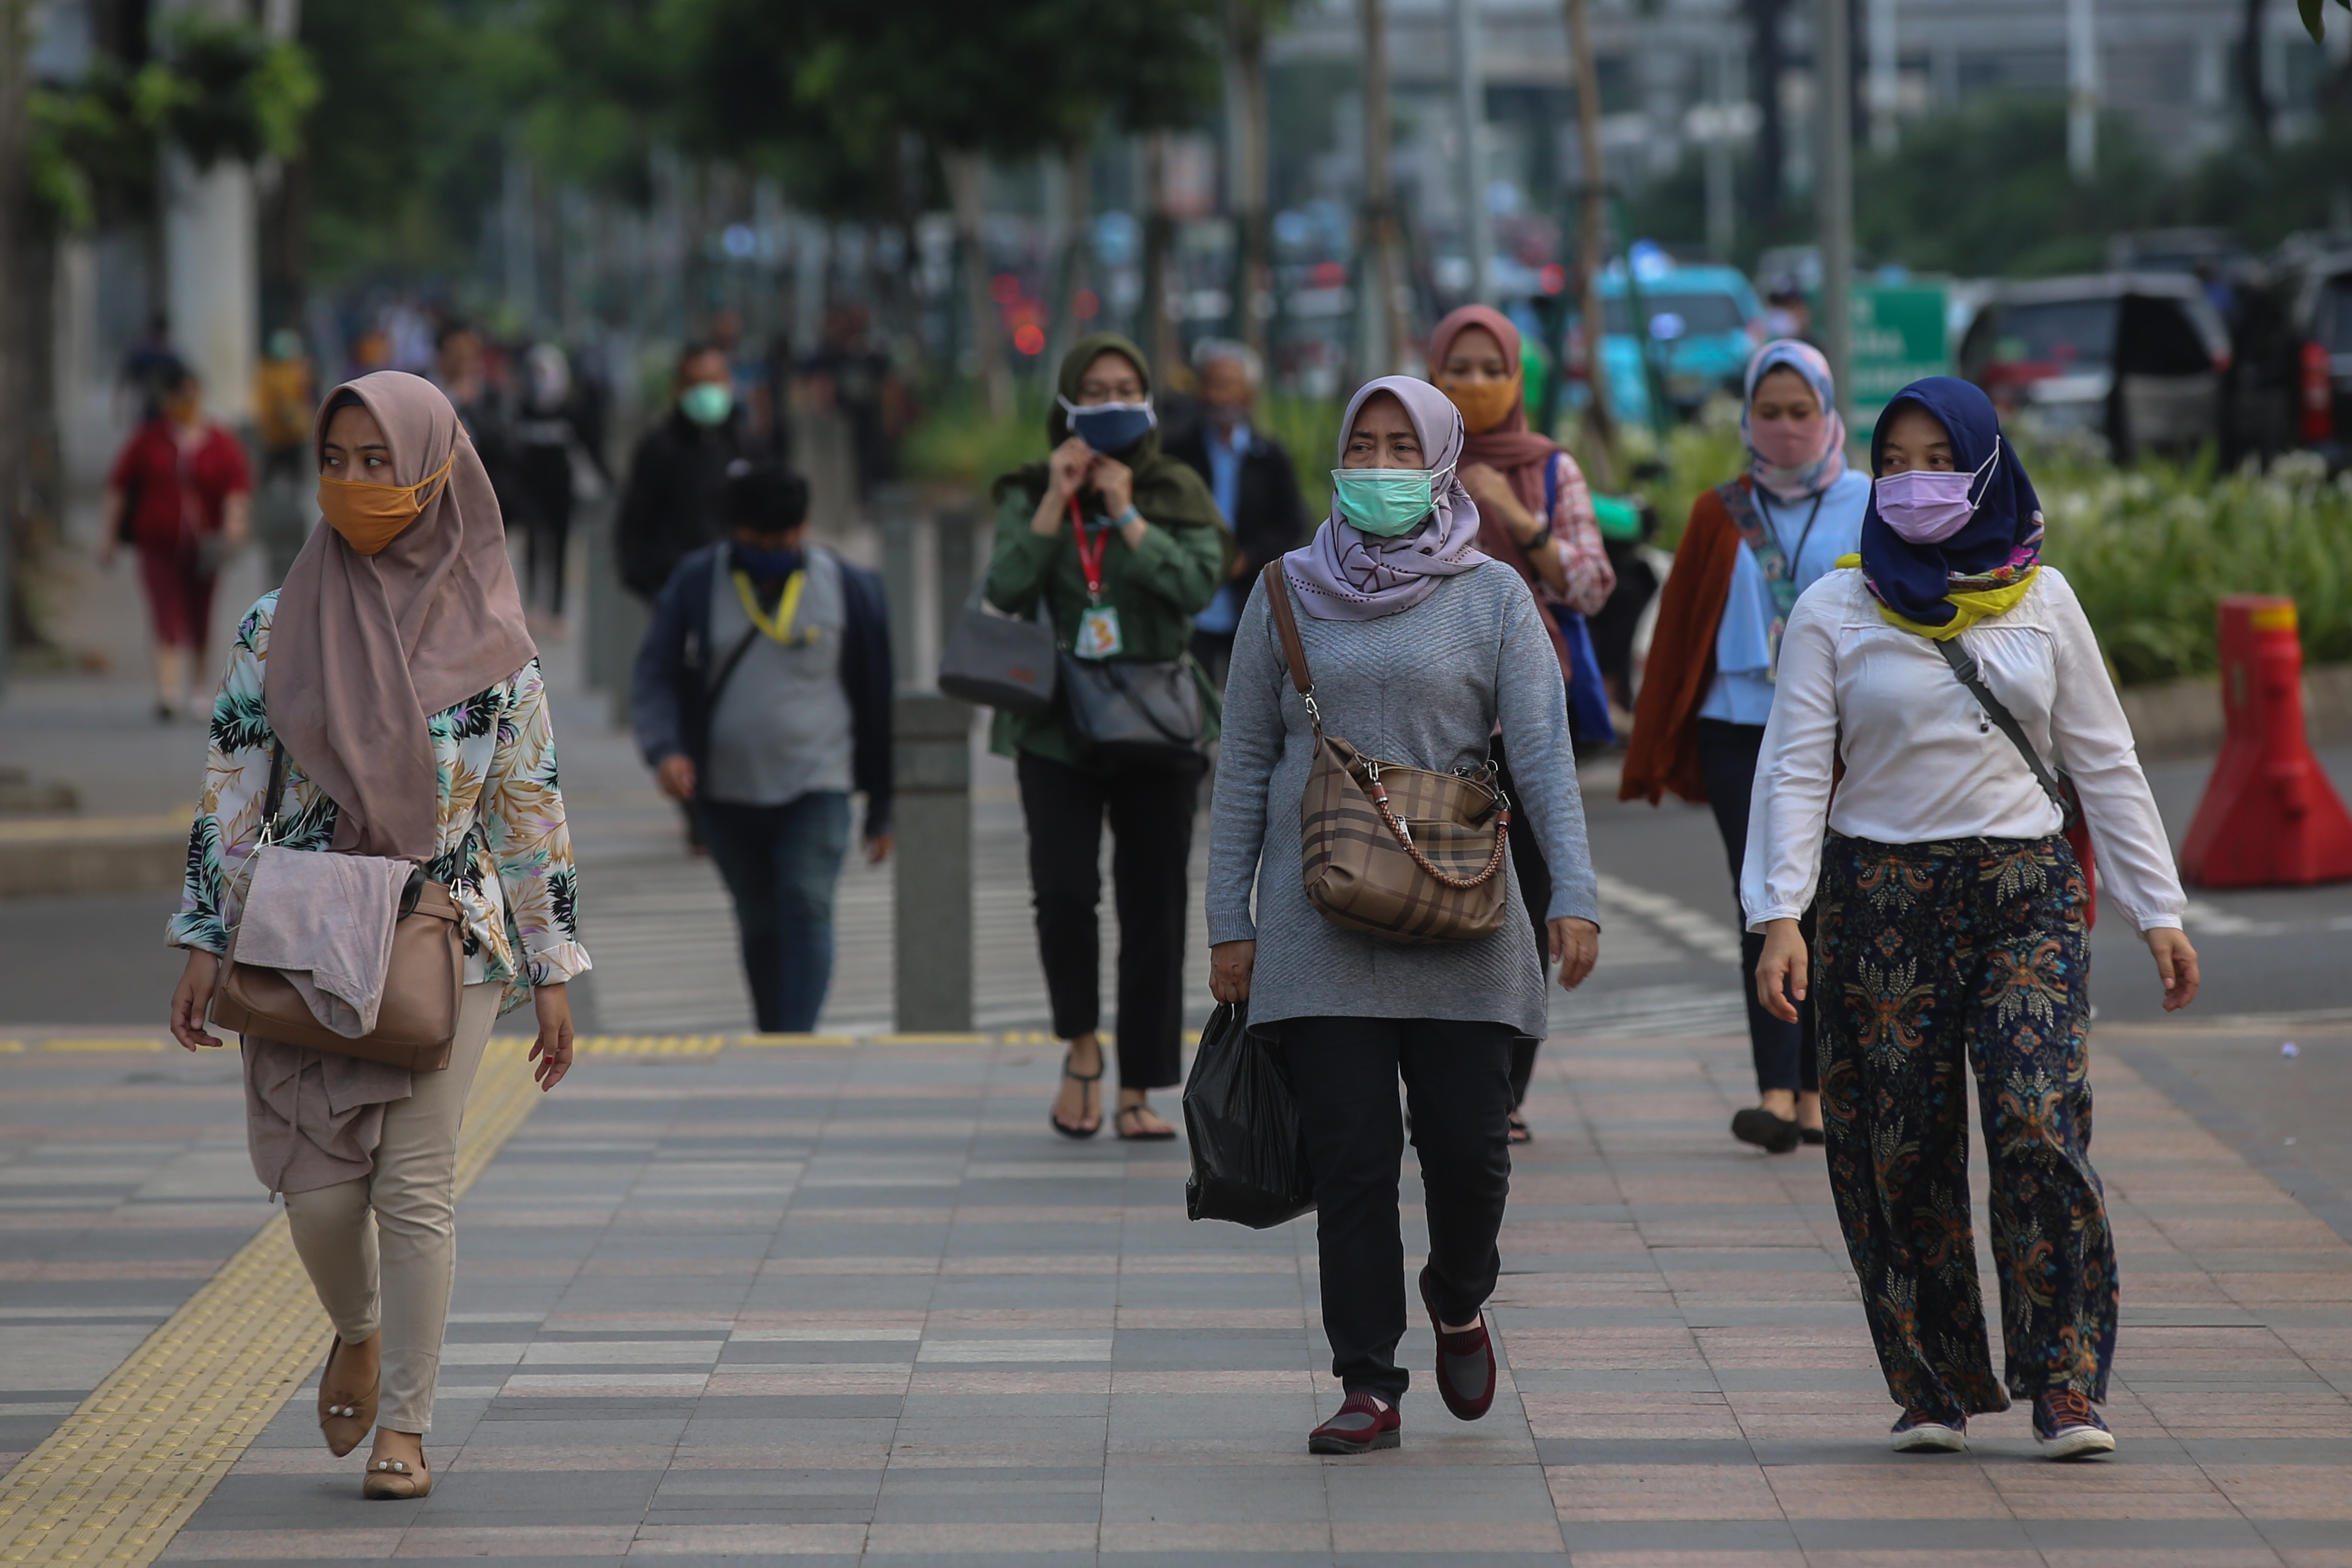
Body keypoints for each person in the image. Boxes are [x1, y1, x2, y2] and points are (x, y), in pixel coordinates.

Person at [1745, 376, 2199, 1460]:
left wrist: (2158, 908)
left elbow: (2105, 759)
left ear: (1985, 467)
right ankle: (1936, 1381)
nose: (1910, 485)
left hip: (2025, 896)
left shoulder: (2044, 599)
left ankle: (2067, 1381)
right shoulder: (1836, 606)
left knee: (2037, 1121)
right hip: (1879, 901)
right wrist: (1781, 913)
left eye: (1936, 461)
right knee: (1896, 1145)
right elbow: (1795, 768)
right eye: (1891, 463)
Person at [163, 370, 588, 1499]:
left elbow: (528, 810)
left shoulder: (498, 645)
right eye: (335, 460)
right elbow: (231, 788)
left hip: (447, 938)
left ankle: (407, 1423)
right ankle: (353, 1322)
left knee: (416, 1187)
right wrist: (204, 935)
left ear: (436, 471)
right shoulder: (274, 624)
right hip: (300, 932)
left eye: (379, 461)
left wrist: (552, 966)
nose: (354, 482)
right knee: (318, 1195)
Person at [1206, 375, 1601, 1456]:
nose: (1379, 467)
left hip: (1463, 913)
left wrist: (1573, 890)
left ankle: (1459, 1293)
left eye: (1400, 447)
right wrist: (1226, 922)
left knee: (1472, 1154)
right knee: (1352, 1159)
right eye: (1361, 446)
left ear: (1439, 460)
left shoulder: (1492, 596)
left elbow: (1544, 756)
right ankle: (1367, 1376)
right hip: (1315, 916)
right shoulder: (1285, 588)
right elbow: (1243, 762)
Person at [1620, 340, 1869, 1154]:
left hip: (1835, 728)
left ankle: (1817, 1087)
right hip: (1735, 726)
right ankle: (1775, 1088)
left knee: (1829, 903)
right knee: (1762, 897)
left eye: (1801, 412)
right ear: (1746, 418)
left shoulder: (1869, 501)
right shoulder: (1715, 510)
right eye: (1770, 412)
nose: (1787, 427)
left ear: (1828, 412)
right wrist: (1652, 741)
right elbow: (1680, 637)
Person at [985, 332, 1228, 1141]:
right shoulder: (1029, 489)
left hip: (1157, 722)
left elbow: (1198, 586)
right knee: (1061, 892)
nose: (1113, 401)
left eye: (1129, 386)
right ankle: (1081, 1046)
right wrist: (1058, 501)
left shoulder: (1175, 487)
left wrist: (1125, 511)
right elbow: (1008, 590)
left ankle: (1141, 1084)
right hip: (1055, 723)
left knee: (1152, 903)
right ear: (1065, 403)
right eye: (1095, 389)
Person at [1425, 304, 1617, 1141]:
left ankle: (1500, 1090)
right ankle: (1434, 1075)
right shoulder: (1411, 461)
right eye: (1453, 367)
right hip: (1430, 717)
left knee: (1526, 902)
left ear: (1516, 379)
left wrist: (1515, 512)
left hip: (1528, 714)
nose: (1470, 383)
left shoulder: (1546, 466)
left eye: (1487, 367)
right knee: (1428, 898)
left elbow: (1591, 586)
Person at [631, 462, 895, 1033]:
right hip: (727, 793)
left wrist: (883, 806)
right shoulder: (697, 583)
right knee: (758, 920)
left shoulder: (852, 588)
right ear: (733, 532)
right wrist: (666, 749)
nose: (778, 550)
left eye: (788, 538)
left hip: (819, 784)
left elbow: (877, 700)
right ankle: (775, 1035)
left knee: (805, 902)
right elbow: (656, 672)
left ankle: (795, 1040)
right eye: (761, 541)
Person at [102, 362, 252, 721]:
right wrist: (107, 538)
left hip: (205, 548)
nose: (186, 402)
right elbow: (118, 487)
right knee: (165, 612)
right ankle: (168, 692)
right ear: (167, 399)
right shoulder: (149, 439)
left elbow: (236, 487)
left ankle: (199, 688)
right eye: (178, 395)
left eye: (191, 394)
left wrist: (235, 524)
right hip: (158, 543)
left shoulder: (219, 440)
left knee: (201, 616)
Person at [1163, 339, 1311, 686]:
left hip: (1249, 601)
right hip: (1189, 602)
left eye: (1229, 386)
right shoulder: (1177, 452)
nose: (1219, 396)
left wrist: (1248, 558)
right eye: (1212, 384)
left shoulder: (1270, 457)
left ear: (1248, 394)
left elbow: (1292, 524)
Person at [618, 343, 759, 602]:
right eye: (696, 383)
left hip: (736, 591)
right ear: (679, 388)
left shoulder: (744, 444)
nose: (706, 392)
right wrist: (648, 583)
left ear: (728, 383)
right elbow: (636, 520)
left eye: (713, 381)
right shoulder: (660, 447)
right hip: (674, 587)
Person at [511, 341, 600, 628]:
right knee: (534, 543)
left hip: (561, 490)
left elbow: (590, 447)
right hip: (530, 489)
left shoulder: (570, 411)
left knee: (561, 547)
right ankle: (533, 605)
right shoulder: (522, 409)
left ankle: (557, 610)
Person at [254, 327, 319, 586]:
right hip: (275, 438)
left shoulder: (298, 370)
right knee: (273, 484)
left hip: (293, 437)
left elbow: (304, 399)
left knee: (294, 484)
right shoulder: (267, 372)